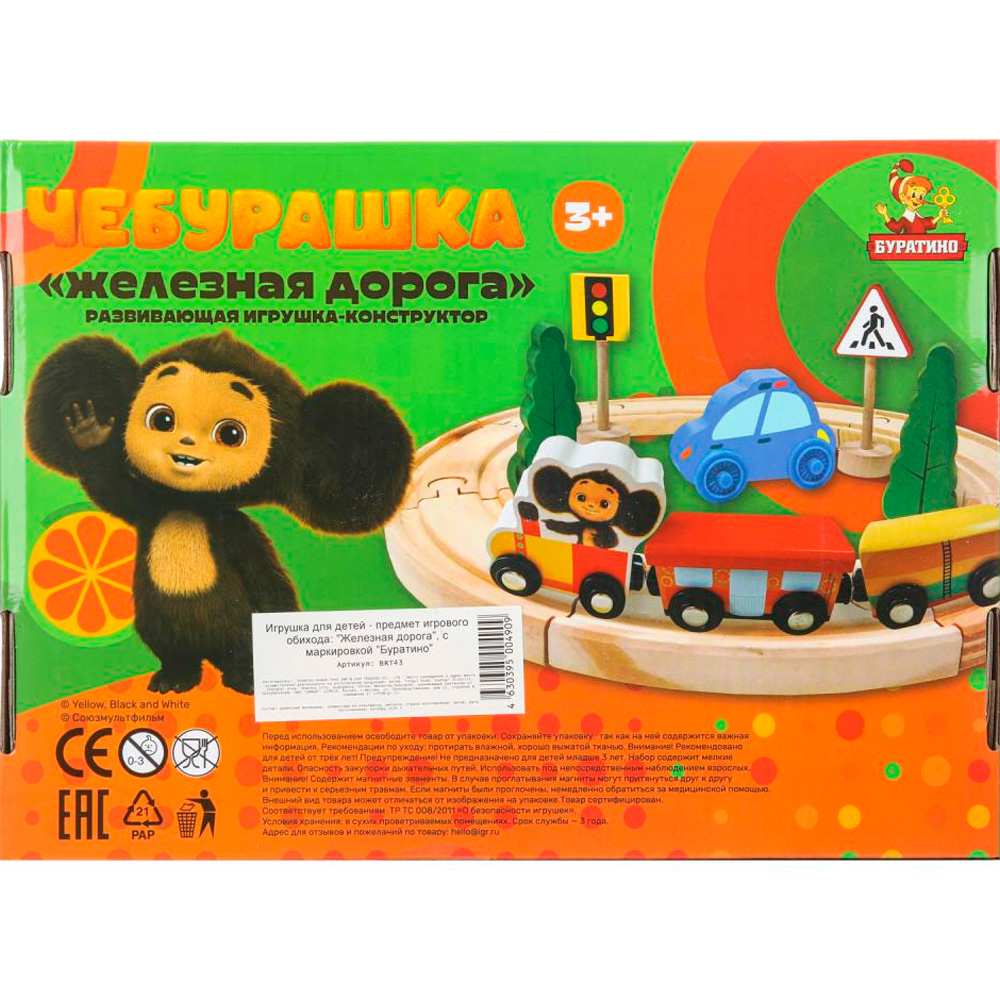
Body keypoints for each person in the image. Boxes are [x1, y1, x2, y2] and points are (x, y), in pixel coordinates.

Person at [875, 159, 947, 235]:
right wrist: (885, 214)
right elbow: (896, 228)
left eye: (921, 196)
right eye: (913, 195)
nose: (918, 199)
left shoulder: (917, 217)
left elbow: (927, 224)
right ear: (902, 197)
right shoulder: (905, 218)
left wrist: (939, 217)